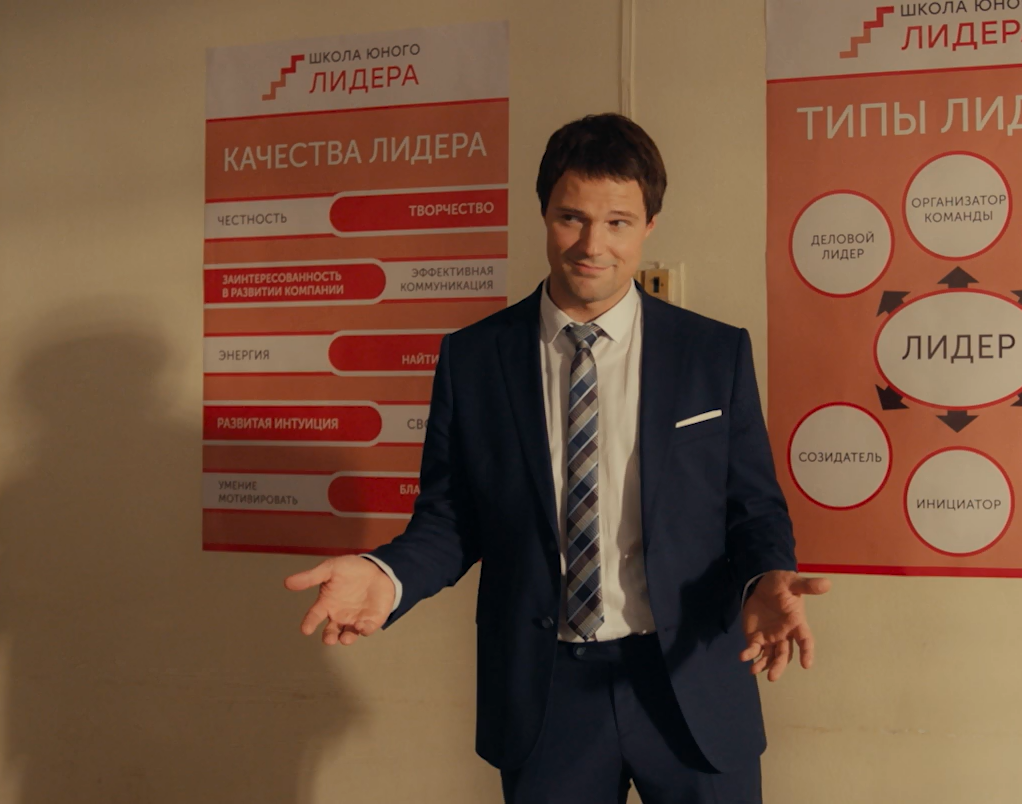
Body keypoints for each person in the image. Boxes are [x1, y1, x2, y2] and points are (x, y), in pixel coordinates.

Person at [283, 113, 830, 804]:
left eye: (618, 222)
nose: (592, 245)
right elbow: (452, 519)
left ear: (649, 225)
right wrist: (385, 577)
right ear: (544, 213)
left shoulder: (713, 353)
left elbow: (752, 507)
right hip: (546, 697)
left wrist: (764, 576)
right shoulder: (474, 359)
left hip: (689, 679)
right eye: (572, 217)